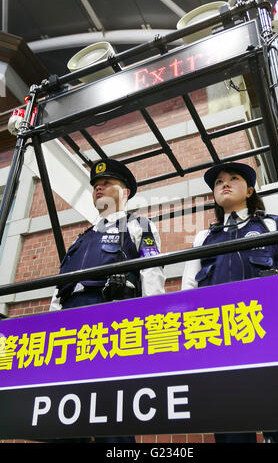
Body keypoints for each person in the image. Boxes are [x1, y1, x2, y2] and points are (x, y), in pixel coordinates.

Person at [181, 161, 278, 443]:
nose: (224, 183)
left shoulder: (272, 224)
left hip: (271, 334)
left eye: (233, 178)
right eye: (218, 181)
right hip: (220, 341)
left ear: (249, 191)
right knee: (231, 429)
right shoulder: (203, 237)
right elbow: (188, 289)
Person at [50, 158, 165, 443]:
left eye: (106, 183)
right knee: (61, 420)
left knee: (110, 419)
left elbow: (152, 275)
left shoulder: (138, 226)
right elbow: (58, 291)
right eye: (95, 186)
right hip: (67, 329)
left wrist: (153, 327)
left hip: (112, 323)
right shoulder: (81, 239)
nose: (98, 188)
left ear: (124, 192)